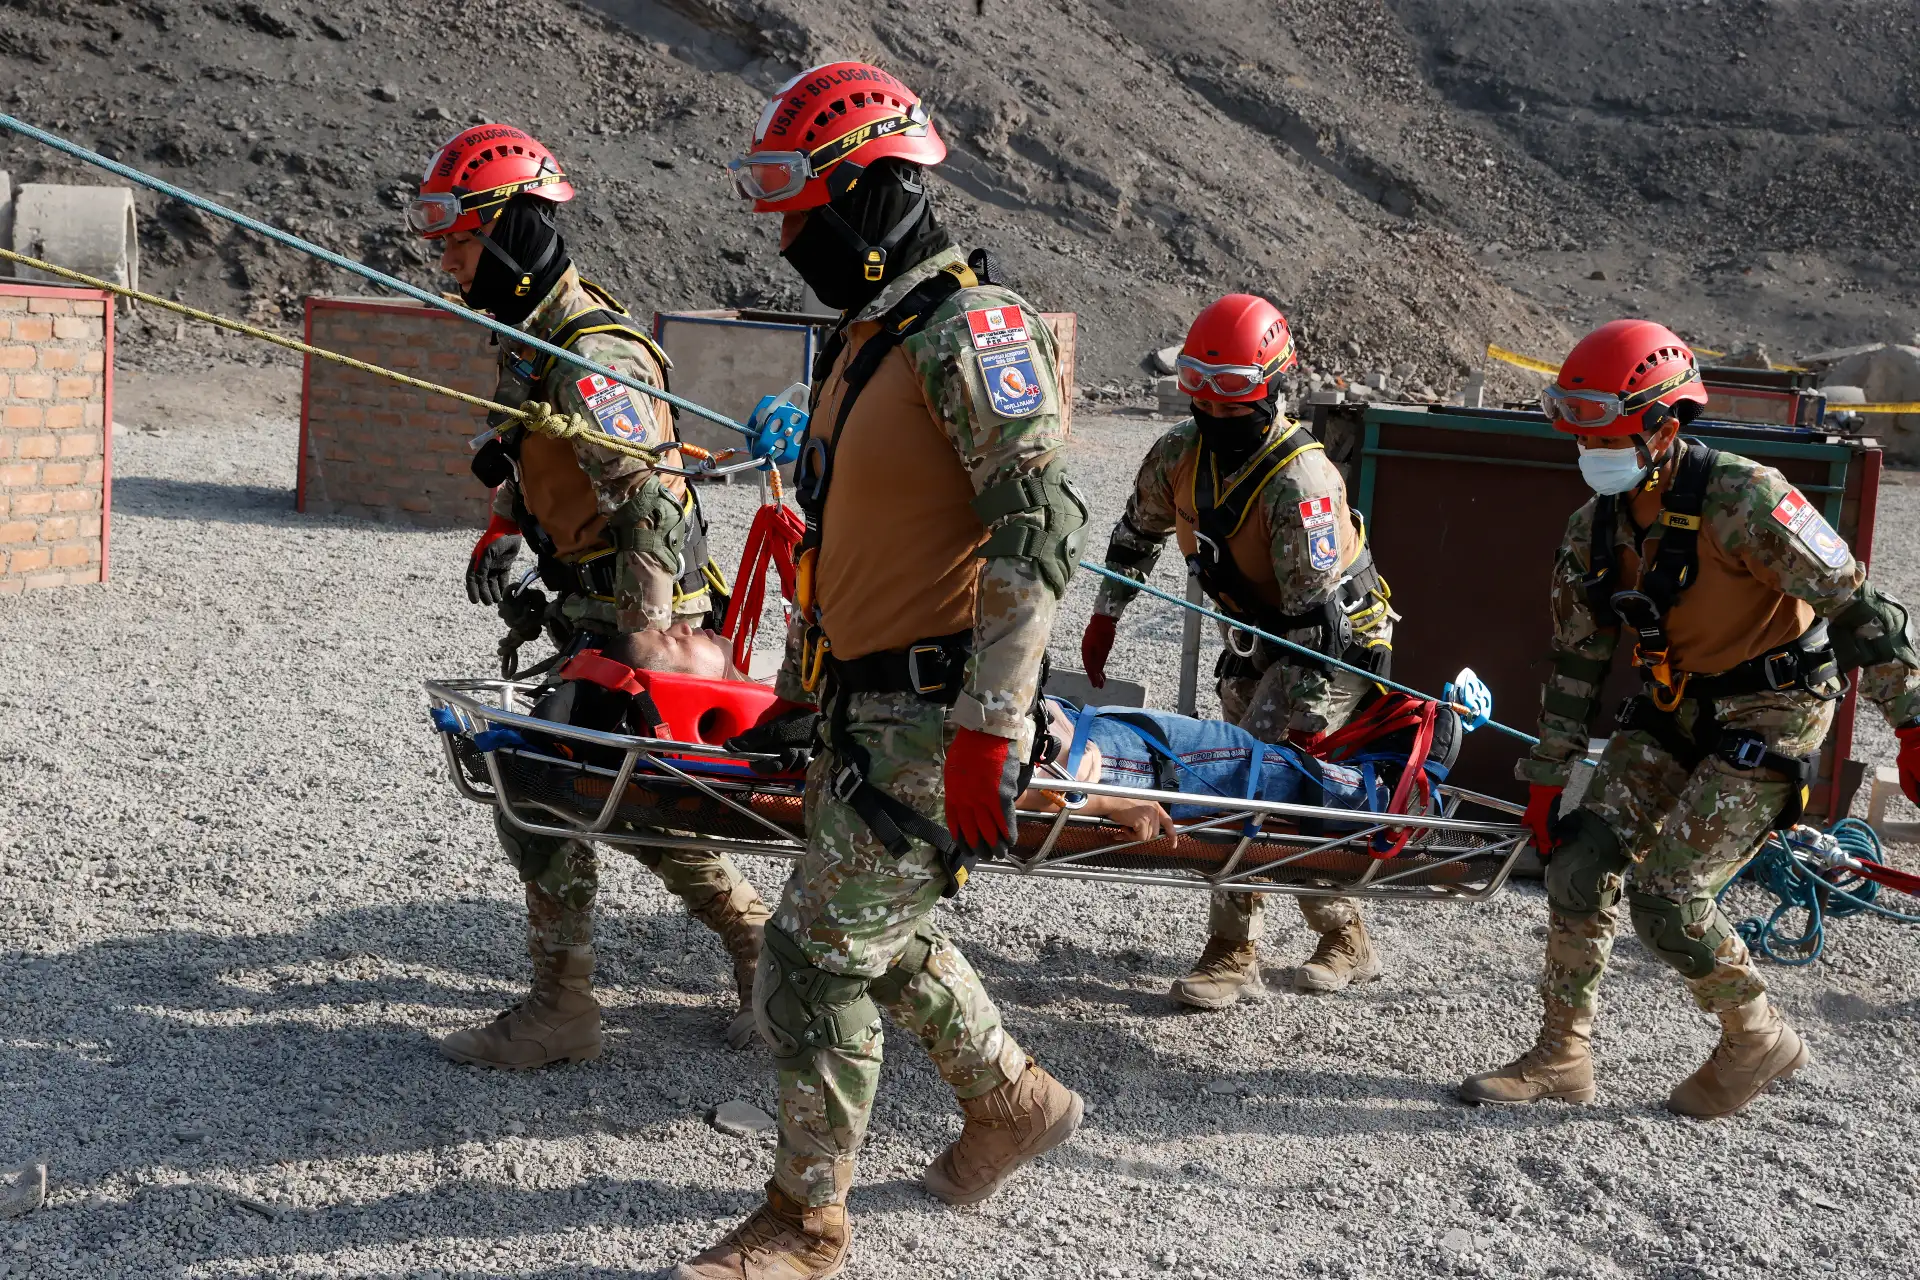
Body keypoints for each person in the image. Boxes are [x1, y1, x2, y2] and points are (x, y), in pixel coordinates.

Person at [675, 63, 1090, 1280]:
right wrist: (804, 694)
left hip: (934, 712)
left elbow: (1038, 526)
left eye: (805, 212)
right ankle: (1013, 1102)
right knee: (879, 934)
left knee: (811, 959)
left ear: (874, 195)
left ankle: (805, 1223)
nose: (789, 239)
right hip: (862, 709)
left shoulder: (975, 330)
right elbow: (852, 543)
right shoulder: (874, 340)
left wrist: (992, 722)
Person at [1459, 319, 1920, 1118]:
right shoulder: (1593, 531)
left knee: (1667, 897)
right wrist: (1547, 777)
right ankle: (1562, 1055)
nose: (1589, 451)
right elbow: (1576, 663)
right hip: (1678, 705)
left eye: (1606, 435)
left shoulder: (1747, 501)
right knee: (1578, 864)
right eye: (1580, 434)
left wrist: (1912, 723)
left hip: (1774, 709)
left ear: (1666, 427)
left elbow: (1858, 609)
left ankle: (1756, 1037)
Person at [407, 124, 770, 1065]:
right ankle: (749, 953)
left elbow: (650, 501)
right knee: (619, 799)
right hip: (593, 610)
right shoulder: (532, 339)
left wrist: (647, 643)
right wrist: (504, 526)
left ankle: (565, 1009)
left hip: (639, 616)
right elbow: (528, 449)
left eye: (460, 243)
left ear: (510, 231)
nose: (449, 265)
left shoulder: (592, 350)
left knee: (546, 792)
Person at [1081, 294, 1397, 1008]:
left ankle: (1237, 952)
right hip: (1258, 638)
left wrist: (1295, 729)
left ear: (1272, 387)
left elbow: (1316, 628)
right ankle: (1343, 932)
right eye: (1200, 388)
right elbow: (1134, 537)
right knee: (1264, 782)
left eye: (1233, 392)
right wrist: (1105, 617)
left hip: (1329, 650)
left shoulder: (1302, 484)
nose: (1215, 409)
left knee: (1251, 780)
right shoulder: (1178, 456)